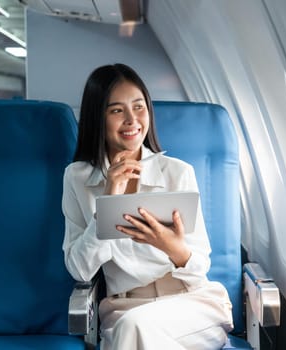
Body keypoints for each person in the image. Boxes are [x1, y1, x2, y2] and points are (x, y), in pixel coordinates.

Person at [61, 63, 233, 350]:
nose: (132, 119)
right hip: (124, 309)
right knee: (135, 328)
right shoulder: (77, 178)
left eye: (139, 107)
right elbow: (80, 270)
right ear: (97, 118)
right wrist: (109, 198)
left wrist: (171, 247)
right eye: (116, 110)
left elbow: (200, 265)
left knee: (134, 332)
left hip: (192, 305)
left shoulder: (178, 173)